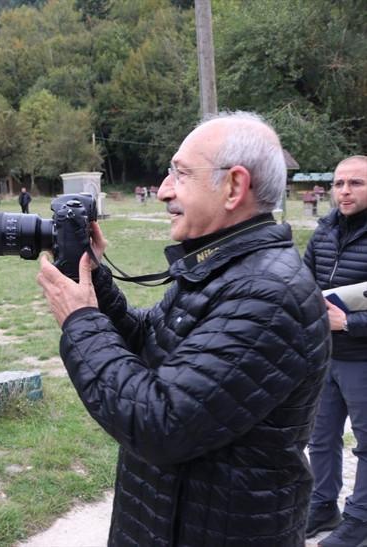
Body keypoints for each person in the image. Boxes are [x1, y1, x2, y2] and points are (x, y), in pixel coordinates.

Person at [36, 111, 332, 545]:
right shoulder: (222, 268)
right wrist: (94, 280)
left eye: (181, 173)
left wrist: (81, 322)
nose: (163, 191)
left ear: (234, 186)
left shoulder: (268, 295)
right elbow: (150, 344)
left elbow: (160, 423)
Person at [304, 154, 367, 546]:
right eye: (339, 183)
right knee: (321, 438)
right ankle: (323, 505)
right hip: (324, 357)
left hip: (363, 360)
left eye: (355, 183)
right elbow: (303, 281)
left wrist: (349, 323)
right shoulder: (324, 230)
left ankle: (361, 519)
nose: (344, 191)